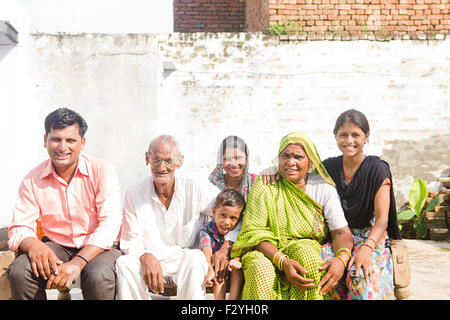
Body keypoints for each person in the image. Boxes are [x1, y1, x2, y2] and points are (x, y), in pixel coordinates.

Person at [7, 107, 122, 300]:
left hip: (98, 247)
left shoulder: (102, 170)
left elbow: (109, 225)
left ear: (82, 143)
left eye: (70, 140)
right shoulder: (32, 179)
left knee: (98, 276)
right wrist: (35, 245)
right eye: (56, 139)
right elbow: (19, 227)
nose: (62, 147)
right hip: (57, 246)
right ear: (45, 141)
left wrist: (77, 263)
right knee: (21, 271)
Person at [231, 131, 354, 300]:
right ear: (278, 159)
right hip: (264, 251)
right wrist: (281, 260)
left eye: (298, 157)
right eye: (285, 156)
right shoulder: (265, 184)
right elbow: (253, 233)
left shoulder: (323, 187)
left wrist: (342, 259)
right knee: (260, 271)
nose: (291, 162)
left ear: (310, 162)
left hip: (303, 245)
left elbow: (341, 232)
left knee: (309, 262)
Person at [115, 135, 220, 300]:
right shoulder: (134, 192)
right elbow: (130, 240)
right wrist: (145, 256)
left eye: (168, 161)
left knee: (195, 257)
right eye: (156, 160)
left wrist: (226, 247)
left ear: (180, 162)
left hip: (184, 260)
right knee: (125, 263)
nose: (161, 167)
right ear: (147, 159)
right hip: (148, 261)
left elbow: (227, 211)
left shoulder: (195, 184)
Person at [320, 109, 402, 300]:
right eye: (343, 135)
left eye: (355, 135)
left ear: (366, 136)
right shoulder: (328, 168)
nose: (349, 141)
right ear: (335, 137)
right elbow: (297, 168)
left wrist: (366, 250)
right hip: (340, 238)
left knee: (361, 276)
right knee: (320, 268)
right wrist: (272, 168)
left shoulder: (377, 169)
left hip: (372, 239)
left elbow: (382, 219)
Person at [208, 135, 257, 284]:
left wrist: (228, 246)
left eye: (238, 158)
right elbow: (208, 219)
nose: (233, 164)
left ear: (246, 158)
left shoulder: (256, 183)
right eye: (227, 159)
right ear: (221, 161)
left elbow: (253, 221)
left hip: (246, 242)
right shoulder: (213, 182)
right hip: (215, 239)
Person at [200, 188, 245, 300]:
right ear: (214, 212)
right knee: (219, 271)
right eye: (223, 215)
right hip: (218, 272)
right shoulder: (207, 230)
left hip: (234, 270)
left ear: (239, 219)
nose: (226, 222)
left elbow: (243, 247)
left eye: (233, 218)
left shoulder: (239, 232)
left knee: (235, 268)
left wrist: (237, 260)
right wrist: (210, 269)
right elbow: (207, 249)